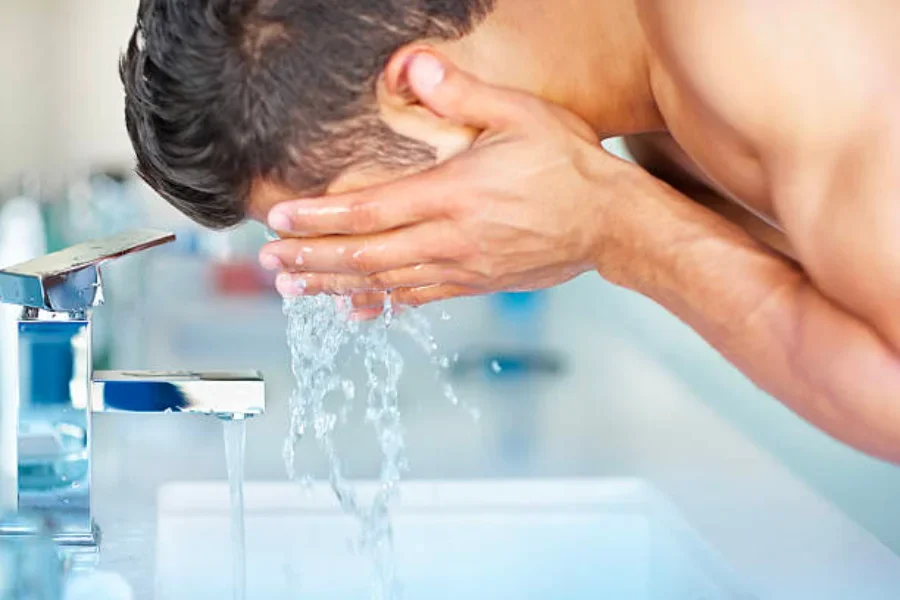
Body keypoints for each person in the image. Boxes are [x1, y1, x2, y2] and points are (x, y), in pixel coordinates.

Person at [122, 0, 900, 463]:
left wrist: (618, 227)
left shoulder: (757, 31)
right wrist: (610, 217)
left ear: (421, 93)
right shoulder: (654, 118)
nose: (380, 268)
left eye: (360, 219)